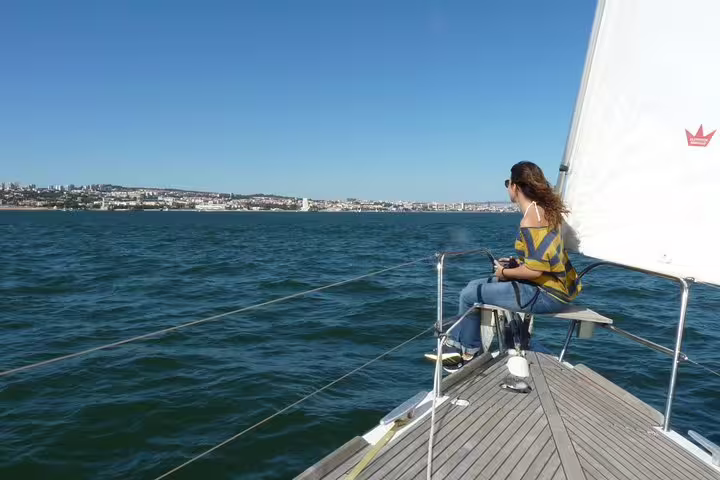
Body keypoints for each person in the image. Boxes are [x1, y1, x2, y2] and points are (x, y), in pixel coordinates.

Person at [428, 161, 582, 371]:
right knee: (474, 285)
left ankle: (468, 350)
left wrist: (504, 272)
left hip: (548, 295)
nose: (507, 187)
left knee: (469, 295)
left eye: (508, 182)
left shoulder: (532, 218)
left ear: (516, 186)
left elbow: (535, 271)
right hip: (557, 289)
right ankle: (466, 343)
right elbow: (542, 261)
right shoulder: (543, 212)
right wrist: (516, 264)